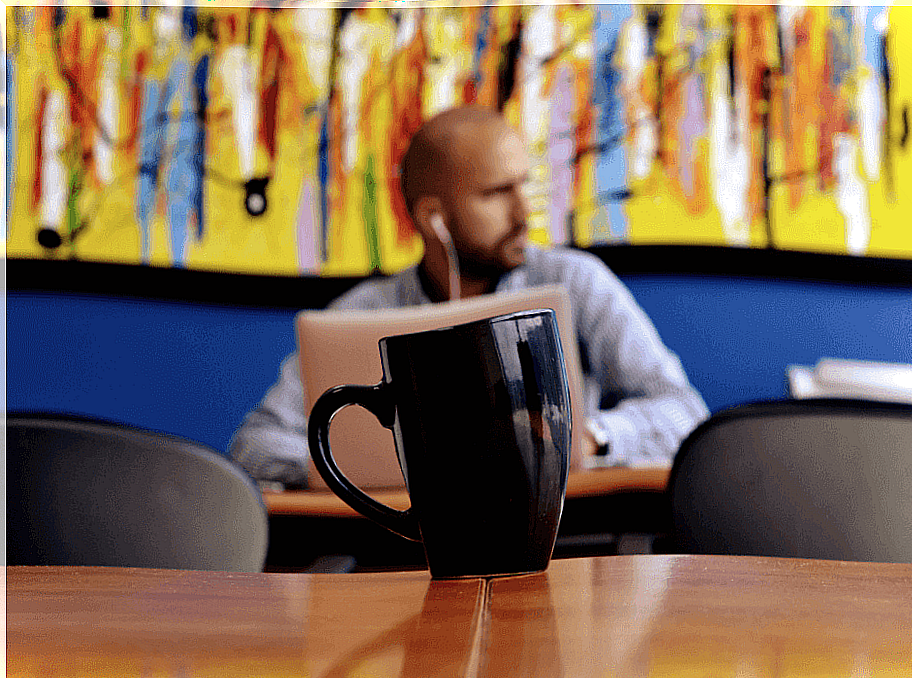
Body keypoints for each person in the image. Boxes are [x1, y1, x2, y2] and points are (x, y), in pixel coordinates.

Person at [230, 105, 709, 489]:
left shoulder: (577, 282)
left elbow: (684, 413)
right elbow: (257, 445)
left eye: (525, 185)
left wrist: (590, 438)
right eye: (498, 193)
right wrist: (375, 468)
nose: (524, 212)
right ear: (432, 215)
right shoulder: (360, 315)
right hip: (403, 553)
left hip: (568, 544)